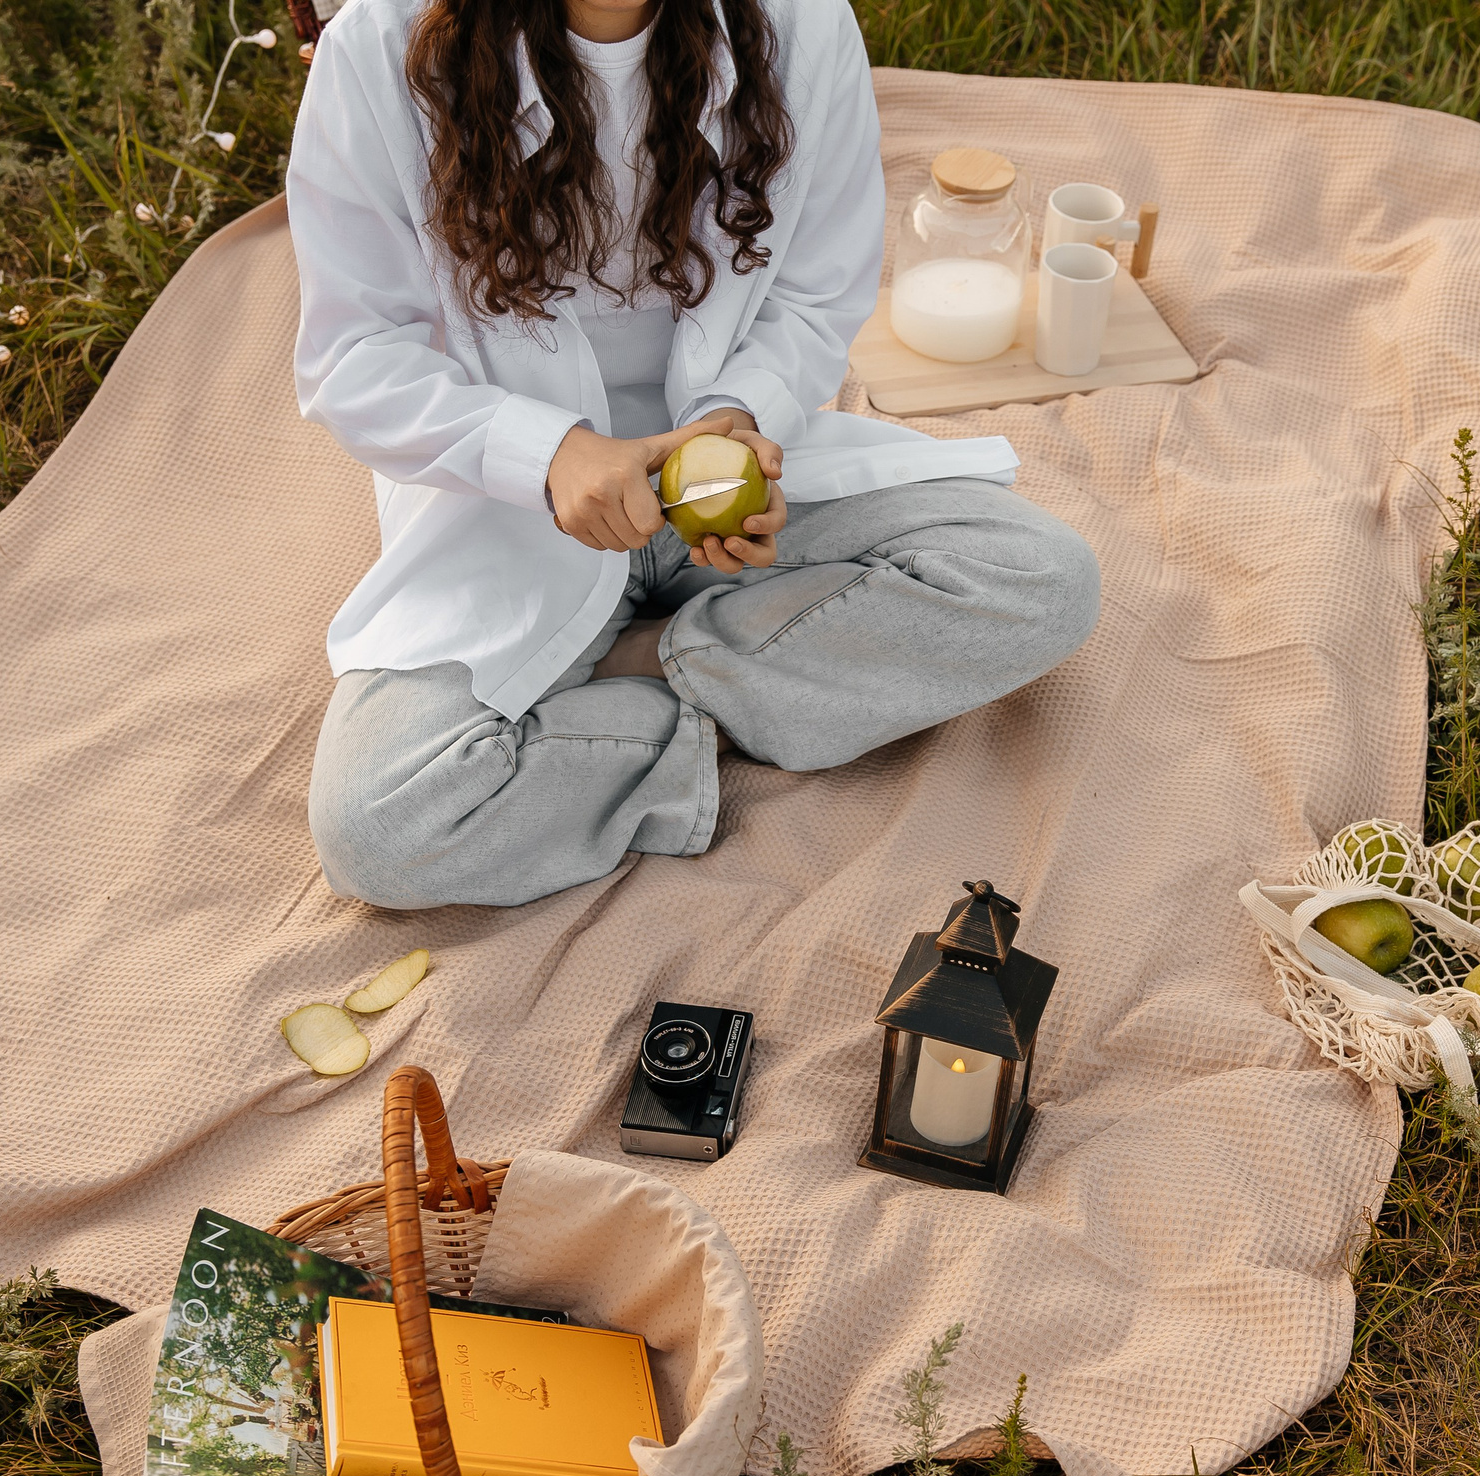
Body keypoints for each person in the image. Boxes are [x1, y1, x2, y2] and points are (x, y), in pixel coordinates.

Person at [286, 0, 1100, 908]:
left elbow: (813, 296)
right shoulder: (378, 50)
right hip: (509, 506)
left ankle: (649, 660)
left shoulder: (801, 26)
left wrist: (737, 421)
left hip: (717, 474)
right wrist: (549, 454)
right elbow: (355, 360)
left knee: (1041, 579)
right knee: (379, 826)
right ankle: (760, 687)